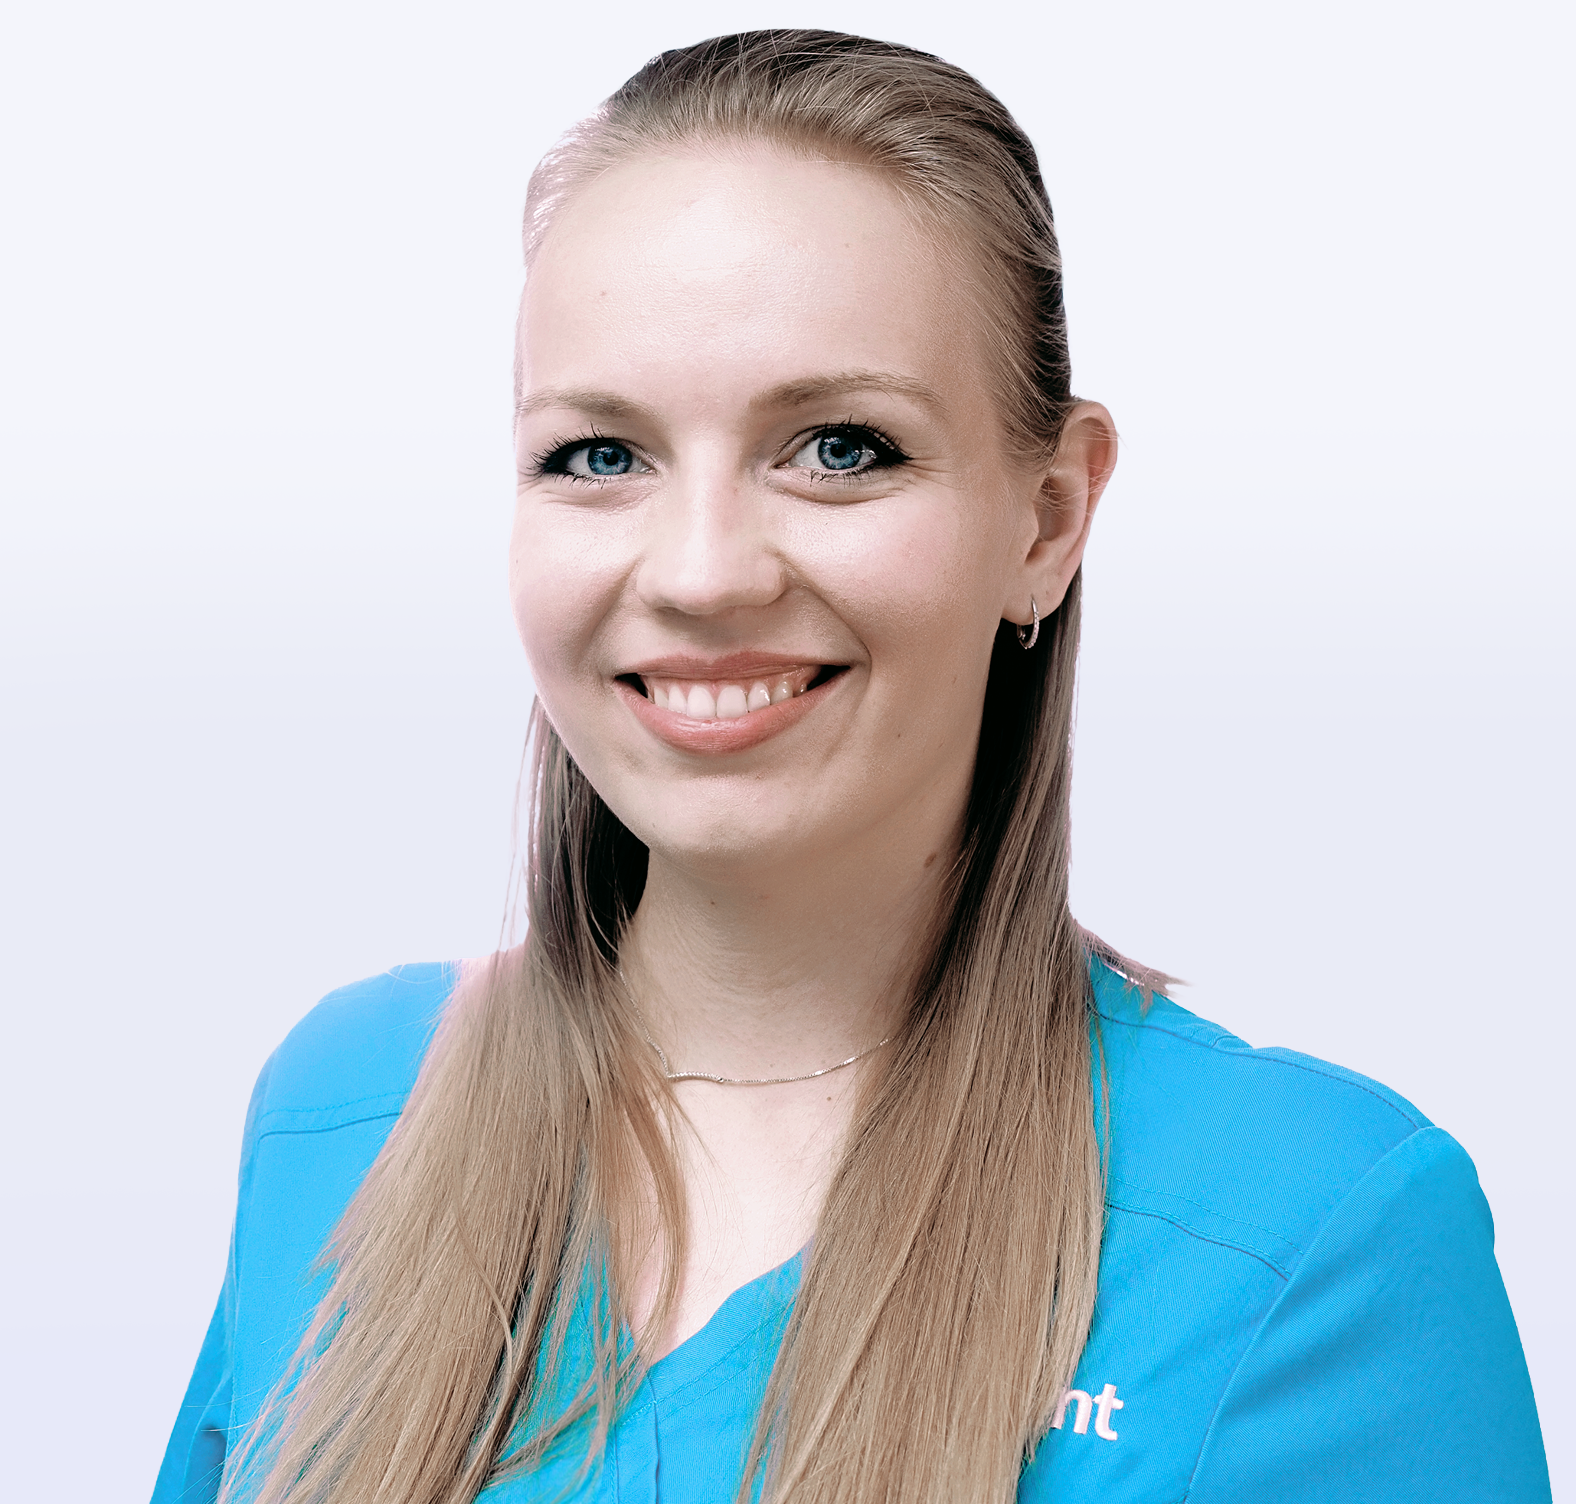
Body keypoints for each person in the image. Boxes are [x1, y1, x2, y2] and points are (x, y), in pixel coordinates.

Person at [153, 29, 1550, 1504]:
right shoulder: (343, 1108)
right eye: (600, 455)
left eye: (838, 448)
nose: (700, 572)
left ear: (1048, 517)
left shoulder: (1315, 1239)